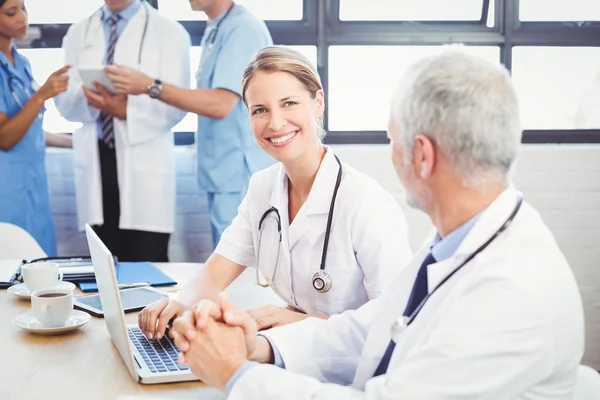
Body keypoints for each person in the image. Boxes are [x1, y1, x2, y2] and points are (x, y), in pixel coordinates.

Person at [171, 49, 586, 399]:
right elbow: (379, 327)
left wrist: (236, 375)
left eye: (391, 139)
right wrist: (261, 347)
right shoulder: (461, 239)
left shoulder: (508, 291)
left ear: (421, 155)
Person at [137, 46, 413, 339]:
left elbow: (399, 319)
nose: (276, 122)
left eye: (289, 103)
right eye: (260, 110)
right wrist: (178, 303)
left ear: (318, 102)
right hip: (295, 349)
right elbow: (216, 270)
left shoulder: (364, 201)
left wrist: (303, 322)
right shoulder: (263, 187)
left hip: (359, 365)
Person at [105, 0, 275, 249]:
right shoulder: (217, 29)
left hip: (239, 173)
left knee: (243, 264)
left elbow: (220, 104)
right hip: (223, 172)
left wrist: (149, 85)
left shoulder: (242, 30)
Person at [54, 0, 191, 262]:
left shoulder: (170, 32)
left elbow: (178, 105)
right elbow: (65, 102)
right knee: (104, 266)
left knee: (148, 263)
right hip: (97, 159)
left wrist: (126, 111)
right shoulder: (79, 32)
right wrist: (92, 99)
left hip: (144, 160)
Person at [0, 0, 72, 256]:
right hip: (7, 190)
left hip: (32, 184)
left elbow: (27, 129)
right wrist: (41, 96)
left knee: (41, 265)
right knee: (11, 266)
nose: (22, 17)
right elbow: (5, 138)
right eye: (11, 12)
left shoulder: (22, 63)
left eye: (23, 8)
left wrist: (74, 141)